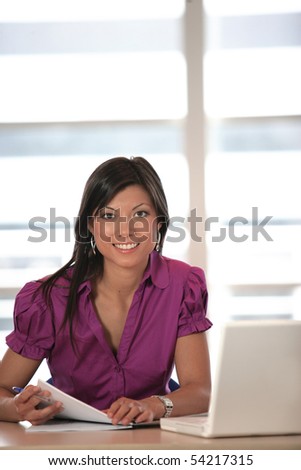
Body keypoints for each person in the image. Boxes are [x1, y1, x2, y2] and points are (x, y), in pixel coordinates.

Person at [0, 156, 212, 426]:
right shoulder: (48, 298)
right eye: (109, 216)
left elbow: (200, 391)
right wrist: (16, 409)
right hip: (67, 447)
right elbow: (3, 390)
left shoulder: (183, 285)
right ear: (90, 225)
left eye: (141, 214)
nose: (126, 231)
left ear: (159, 222)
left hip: (152, 442)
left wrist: (155, 405)